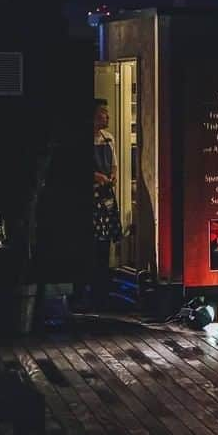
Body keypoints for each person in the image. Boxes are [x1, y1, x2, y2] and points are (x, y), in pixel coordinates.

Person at [92, 98, 121, 309]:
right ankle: (90, 288)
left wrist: (111, 176)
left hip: (107, 196)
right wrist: (95, 177)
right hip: (91, 197)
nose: (107, 117)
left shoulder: (108, 139)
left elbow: (114, 165)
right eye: (103, 113)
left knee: (106, 241)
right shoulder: (84, 140)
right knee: (93, 240)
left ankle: (103, 288)